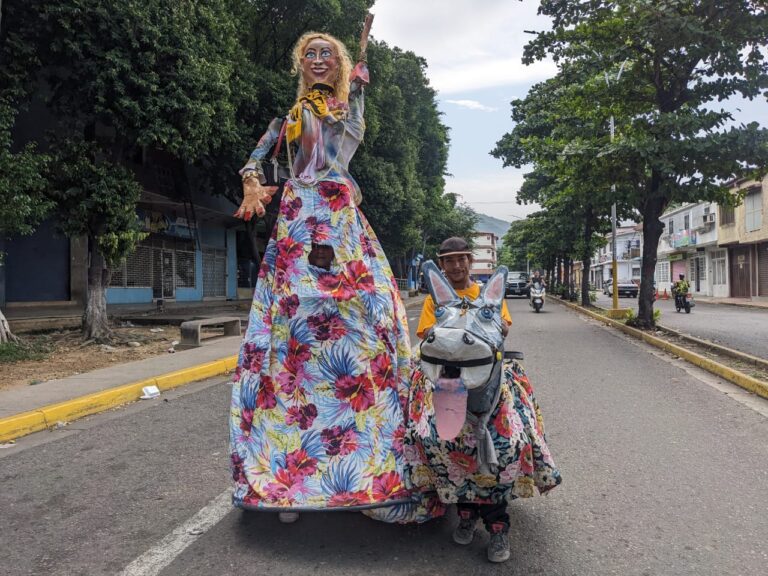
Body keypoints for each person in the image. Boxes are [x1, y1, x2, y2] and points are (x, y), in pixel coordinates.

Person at [229, 22, 418, 524]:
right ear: (300, 63)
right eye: (310, 53)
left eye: (326, 54)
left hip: (339, 215)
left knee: (367, 322)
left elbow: (354, 104)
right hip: (297, 218)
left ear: (336, 64)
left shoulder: (344, 113)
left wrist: (358, 68)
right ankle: (290, 475)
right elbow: (254, 160)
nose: (318, 59)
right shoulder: (287, 120)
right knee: (290, 340)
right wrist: (252, 185)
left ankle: (367, 463)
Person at [407, 237, 561, 563]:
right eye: (449, 261)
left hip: (485, 374)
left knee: (513, 437)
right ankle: (464, 513)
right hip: (449, 379)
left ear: (469, 261)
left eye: (462, 259)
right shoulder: (435, 301)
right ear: (443, 265)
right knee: (445, 446)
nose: (457, 266)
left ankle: (497, 525)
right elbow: (427, 337)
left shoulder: (487, 295)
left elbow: (501, 329)